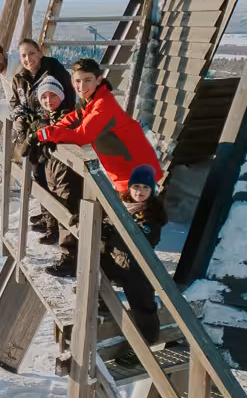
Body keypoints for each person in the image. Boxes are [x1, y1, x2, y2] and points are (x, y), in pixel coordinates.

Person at [34, 57, 162, 276]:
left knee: (131, 237)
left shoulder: (104, 104)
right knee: (117, 232)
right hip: (123, 174)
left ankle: (129, 288)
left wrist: (46, 134)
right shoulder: (91, 100)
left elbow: (83, 135)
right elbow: (74, 118)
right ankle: (109, 283)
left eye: (87, 80)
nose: (81, 86)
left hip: (136, 176)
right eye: (77, 81)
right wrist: (50, 130)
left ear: (98, 80)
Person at [102, 164, 168, 345]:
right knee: (94, 268)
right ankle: (101, 304)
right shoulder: (121, 206)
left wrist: (113, 230)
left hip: (136, 266)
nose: (140, 192)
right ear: (130, 187)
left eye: (145, 187)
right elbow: (107, 223)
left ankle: (147, 342)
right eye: (136, 186)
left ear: (152, 191)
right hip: (115, 260)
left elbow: (142, 239)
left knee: (142, 304)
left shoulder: (152, 215)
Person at [18, 76, 82, 249]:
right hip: (49, 169)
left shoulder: (69, 116)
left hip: (68, 172)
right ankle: (53, 232)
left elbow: (65, 132)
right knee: (53, 202)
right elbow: (23, 150)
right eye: (44, 97)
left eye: (53, 95)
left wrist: (40, 136)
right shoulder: (40, 121)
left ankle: (69, 256)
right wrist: (31, 137)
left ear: (61, 96)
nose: (49, 100)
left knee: (67, 209)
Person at [9, 40, 75, 144]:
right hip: (29, 133)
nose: (28, 59)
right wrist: (19, 117)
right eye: (23, 56)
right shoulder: (19, 79)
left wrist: (49, 122)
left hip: (53, 132)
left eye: (31, 53)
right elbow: (15, 102)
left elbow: (68, 100)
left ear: (40, 53)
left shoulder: (55, 72)